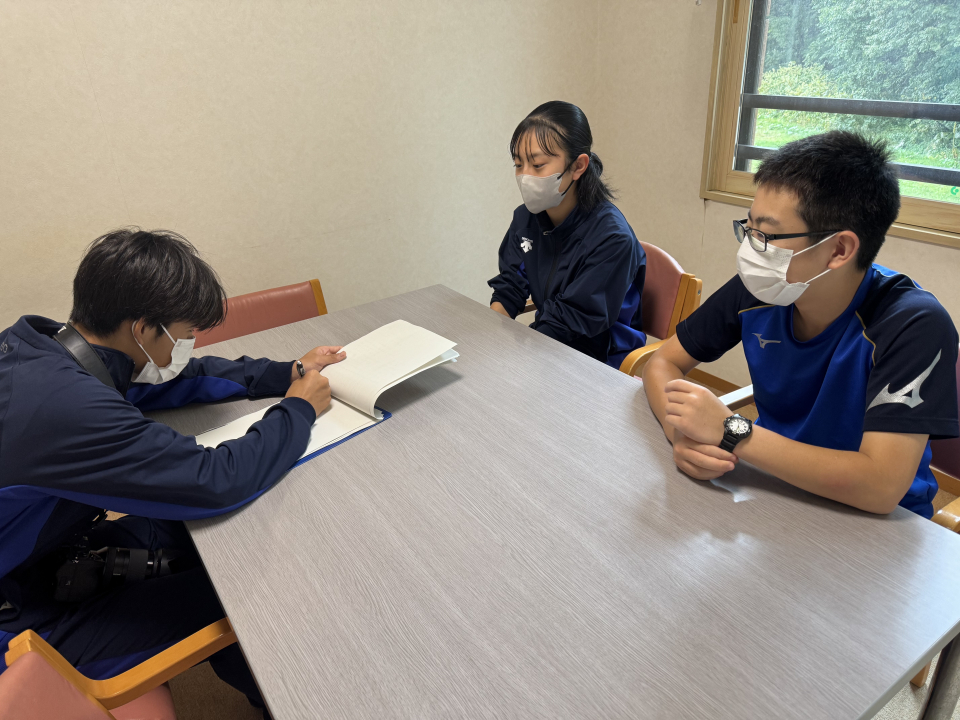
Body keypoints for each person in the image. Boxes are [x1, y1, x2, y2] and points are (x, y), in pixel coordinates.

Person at [0, 228, 344, 716]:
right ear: (143, 330)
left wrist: (284, 373)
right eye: (184, 337)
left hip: (42, 555)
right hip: (18, 622)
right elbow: (216, 480)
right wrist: (298, 410)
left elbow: (172, 380)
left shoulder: (44, 348)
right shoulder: (70, 411)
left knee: (180, 534)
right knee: (243, 596)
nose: (187, 348)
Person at [642, 131, 959, 519]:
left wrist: (732, 431)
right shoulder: (758, 290)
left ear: (839, 250)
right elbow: (663, 362)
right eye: (749, 228)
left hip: (875, 523)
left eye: (767, 235)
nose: (750, 248)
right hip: (774, 486)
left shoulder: (913, 324)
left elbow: (879, 487)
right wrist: (682, 434)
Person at [488, 101, 647, 368]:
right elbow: (510, 287)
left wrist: (519, 360)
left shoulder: (611, 238)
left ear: (578, 166)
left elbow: (572, 320)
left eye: (537, 165)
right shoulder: (526, 219)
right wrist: (490, 336)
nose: (525, 177)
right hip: (550, 346)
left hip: (601, 362)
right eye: (518, 164)